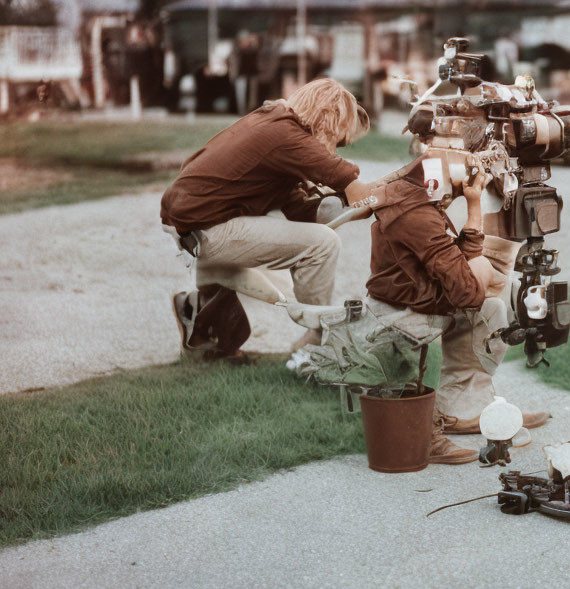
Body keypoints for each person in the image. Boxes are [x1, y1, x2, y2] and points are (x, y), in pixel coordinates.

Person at [161, 78, 373, 357]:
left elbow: (296, 207)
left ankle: (198, 312)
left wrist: (344, 207)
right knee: (323, 243)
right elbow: (347, 180)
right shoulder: (287, 135)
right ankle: (319, 337)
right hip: (207, 229)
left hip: (193, 226)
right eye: (340, 139)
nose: (337, 146)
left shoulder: (272, 122)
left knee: (310, 235)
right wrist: (390, 194)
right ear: (329, 118)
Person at [362, 160, 549, 465]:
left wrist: (473, 204)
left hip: (415, 295)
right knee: (485, 289)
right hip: (404, 304)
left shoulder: (419, 202)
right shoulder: (416, 214)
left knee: (491, 307)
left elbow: (460, 269)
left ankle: (465, 407)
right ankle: (426, 432)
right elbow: (466, 292)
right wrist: (484, 272)